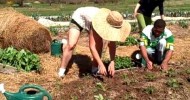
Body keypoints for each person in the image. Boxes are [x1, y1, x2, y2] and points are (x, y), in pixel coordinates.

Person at [58, 7, 131, 78]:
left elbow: (112, 45)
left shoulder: (113, 23)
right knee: (71, 45)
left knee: (99, 45)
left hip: (90, 21)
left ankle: (94, 69)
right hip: (79, 18)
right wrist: (101, 64)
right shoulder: (98, 22)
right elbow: (92, 46)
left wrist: (112, 62)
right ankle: (61, 71)